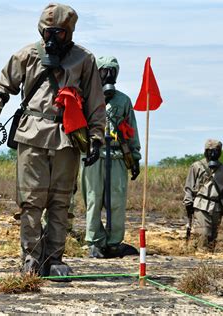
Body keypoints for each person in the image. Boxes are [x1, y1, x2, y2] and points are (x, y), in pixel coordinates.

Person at [0, 3, 105, 277]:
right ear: (41, 30)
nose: (52, 37)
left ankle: (54, 258)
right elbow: (1, 87)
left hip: (68, 138)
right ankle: (31, 259)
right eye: (48, 31)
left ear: (69, 32)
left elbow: (96, 102)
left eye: (59, 32)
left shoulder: (84, 59)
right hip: (32, 134)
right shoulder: (27, 55)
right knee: (31, 201)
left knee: (61, 201)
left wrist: (96, 138)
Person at [81, 56, 141, 258]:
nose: (108, 75)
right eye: (104, 71)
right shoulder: (86, 97)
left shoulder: (123, 100)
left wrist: (135, 157)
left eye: (112, 71)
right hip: (93, 155)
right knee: (93, 198)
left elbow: (131, 129)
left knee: (116, 201)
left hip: (116, 156)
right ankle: (95, 242)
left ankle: (114, 242)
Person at [183, 139, 223, 252]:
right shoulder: (197, 166)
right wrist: (188, 202)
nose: (212, 154)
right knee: (203, 233)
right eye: (209, 151)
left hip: (217, 206)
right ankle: (201, 255)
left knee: (212, 236)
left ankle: (208, 257)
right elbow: (189, 186)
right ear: (205, 151)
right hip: (201, 204)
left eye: (215, 151)